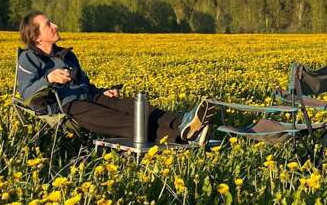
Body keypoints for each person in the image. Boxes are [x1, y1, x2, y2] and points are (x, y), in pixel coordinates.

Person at [17, 11, 213, 143]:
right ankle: (180, 137)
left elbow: (85, 84)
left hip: (89, 96)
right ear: (36, 36)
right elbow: (26, 94)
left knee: (135, 106)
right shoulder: (28, 58)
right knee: (122, 121)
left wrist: (103, 92)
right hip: (67, 105)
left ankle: (184, 122)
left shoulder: (67, 55)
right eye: (48, 24)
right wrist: (49, 79)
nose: (55, 25)